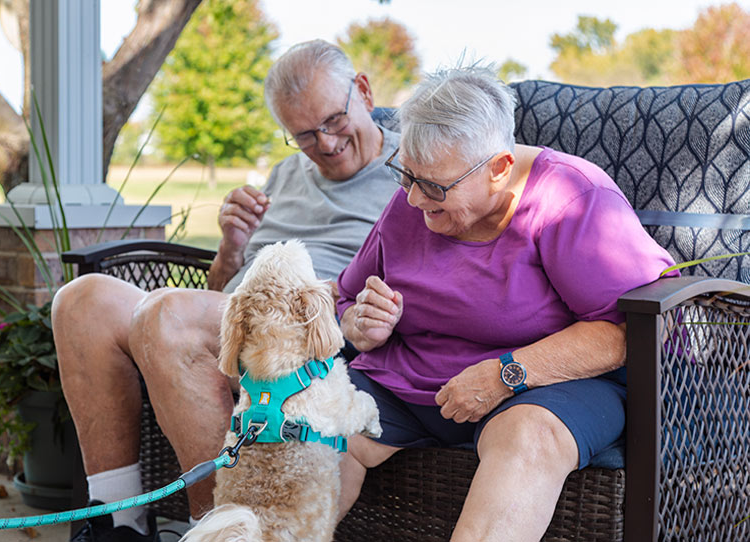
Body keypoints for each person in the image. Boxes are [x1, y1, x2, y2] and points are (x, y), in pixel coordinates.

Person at [53, 39, 400, 542]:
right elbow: (222, 290)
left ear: (363, 92)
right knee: (82, 300)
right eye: (303, 134)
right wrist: (232, 247)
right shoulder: (284, 175)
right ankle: (116, 523)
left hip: (312, 340)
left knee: (167, 314)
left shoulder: (412, 173)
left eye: (333, 121)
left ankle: (216, 531)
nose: (324, 143)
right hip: (236, 326)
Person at [335, 65, 677, 542]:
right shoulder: (413, 201)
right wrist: (358, 323)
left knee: (527, 437)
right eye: (406, 176)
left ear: (498, 169)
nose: (413, 198)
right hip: (408, 382)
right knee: (313, 417)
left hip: (546, 387)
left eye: (433, 186)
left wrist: (506, 373)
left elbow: (632, 330)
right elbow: (347, 295)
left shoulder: (571, 200)